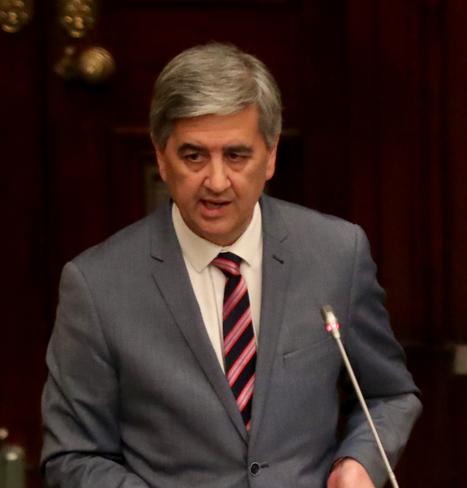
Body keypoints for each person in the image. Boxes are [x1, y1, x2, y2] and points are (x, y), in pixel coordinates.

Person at [41, 42, 421, 488]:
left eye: (236, 156)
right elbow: (72, 455)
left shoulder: (336, 253)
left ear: (272, 155)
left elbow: (389, 393)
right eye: (194, 156)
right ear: (161, 156)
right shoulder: (97, 285)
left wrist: (357, 463)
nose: (217, 182)